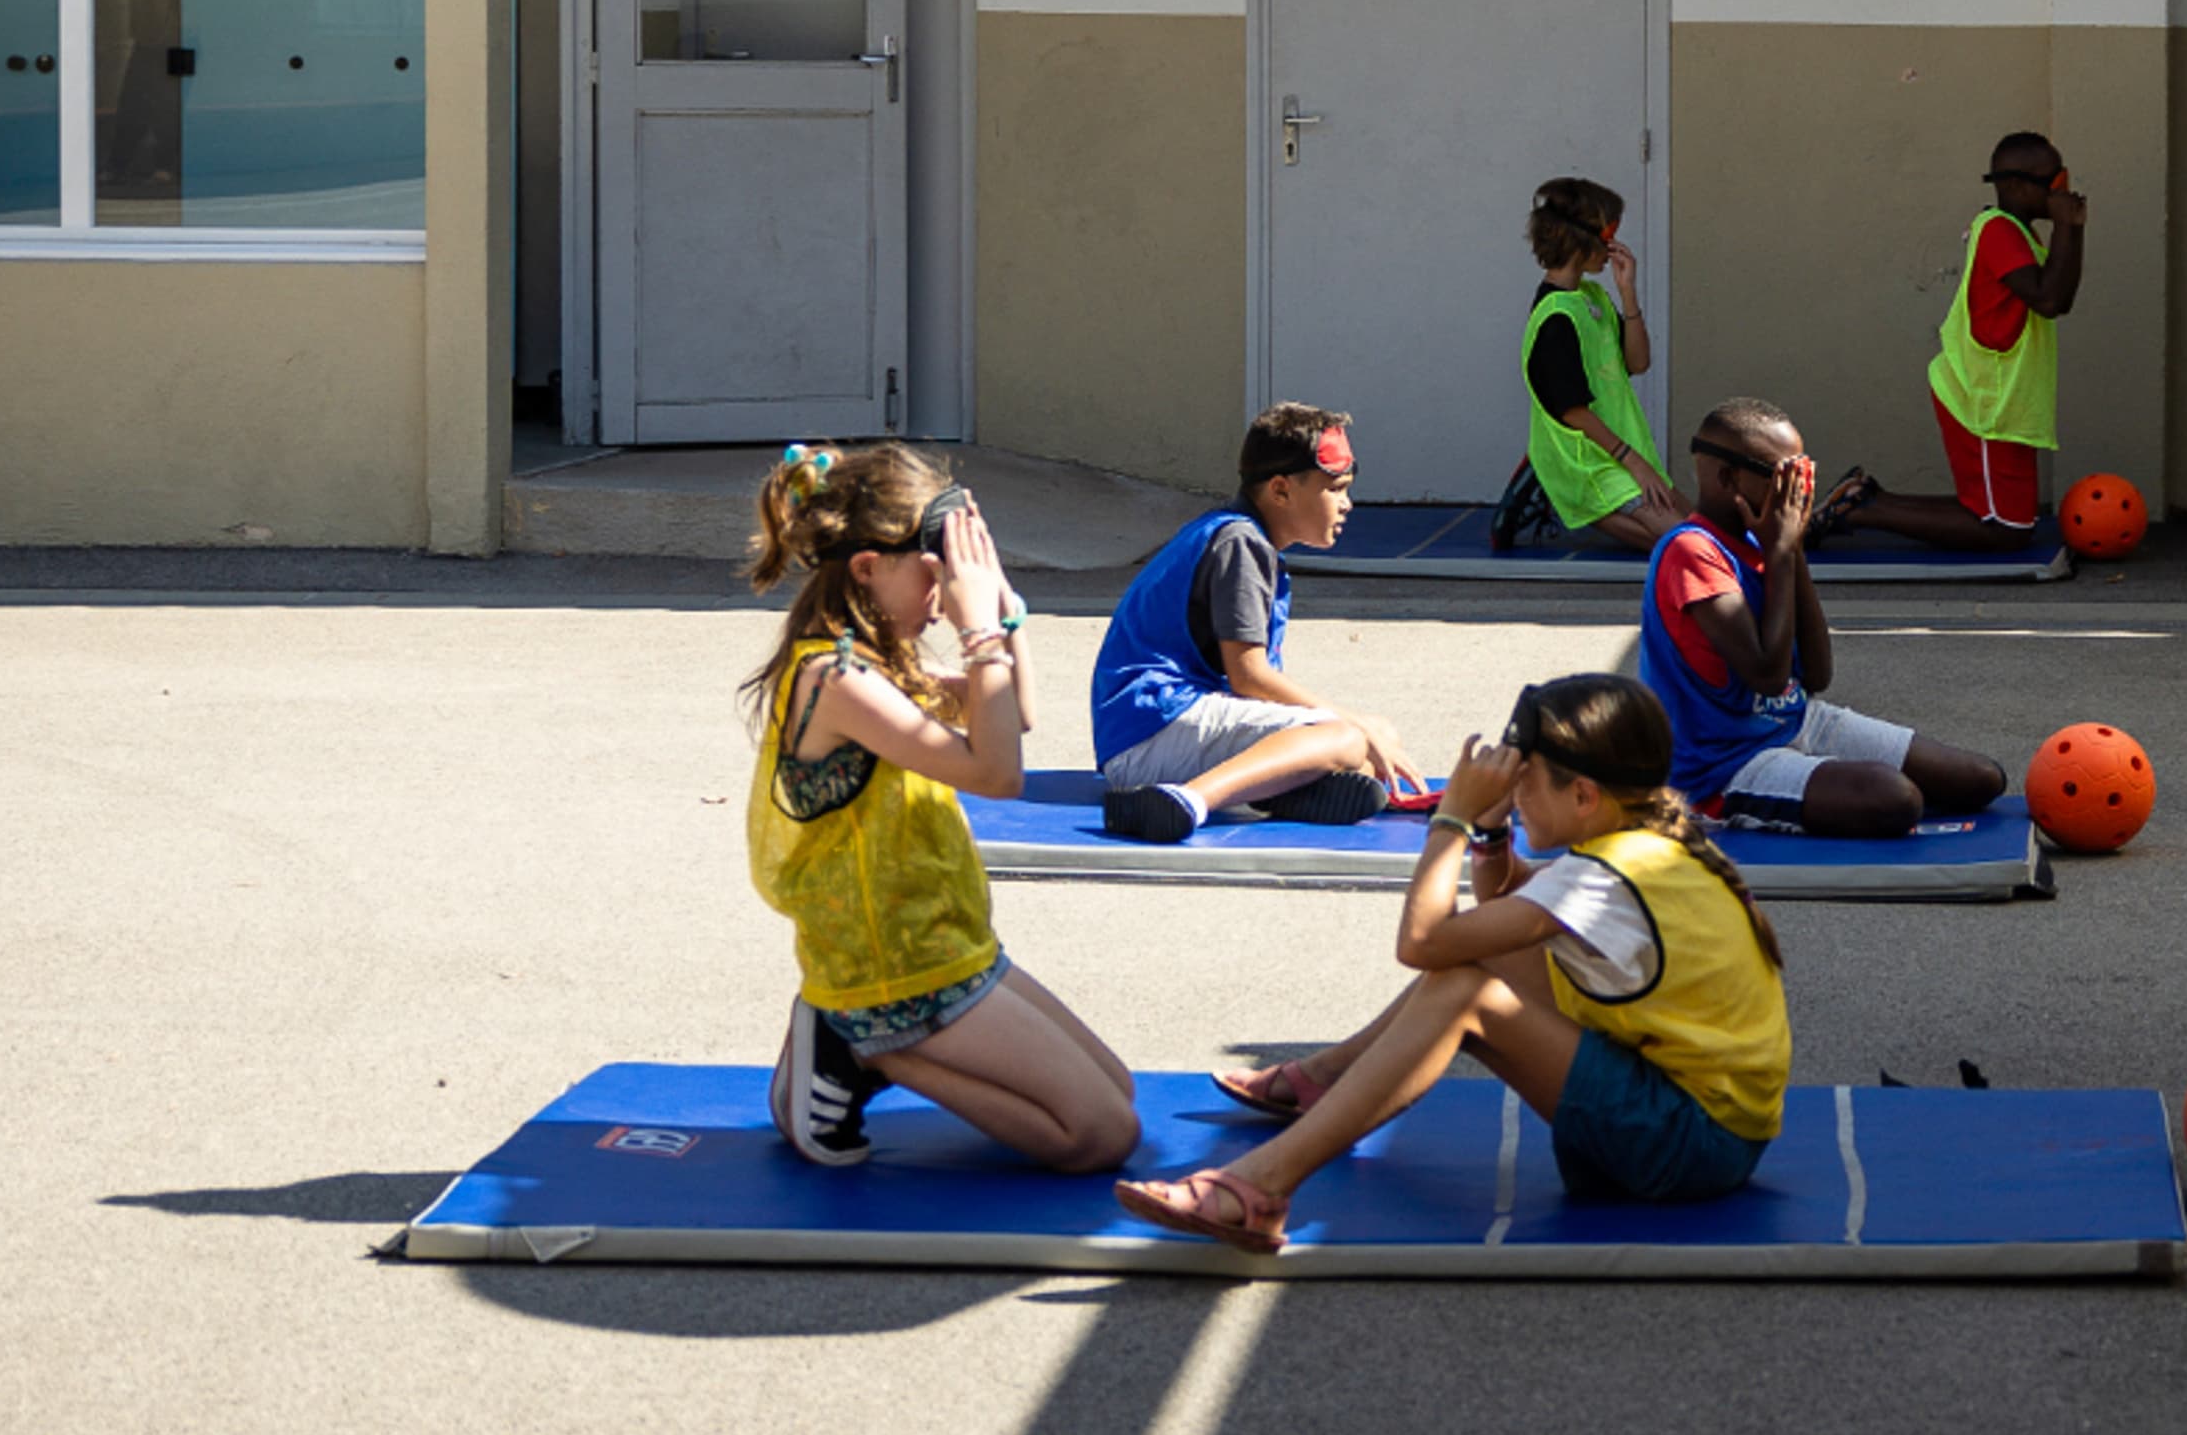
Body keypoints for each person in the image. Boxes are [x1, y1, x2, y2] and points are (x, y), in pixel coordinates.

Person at [1114, 675, 1790, 1252]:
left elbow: (1423, 941)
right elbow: (1502, 921)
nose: (1516, 796)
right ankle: (1325, 1077)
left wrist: (1454, 820)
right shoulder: (1641, 845)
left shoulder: (1602, 878)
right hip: (1715, 1128)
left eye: (1527, 784)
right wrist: (1493, 834)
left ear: (1584, 796)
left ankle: (1263, 1188)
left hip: (1692, 1146)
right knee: (1482, 960)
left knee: (1462, 990)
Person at [743, 443, 1140, 1174]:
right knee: (1102, 1137)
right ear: (868, 568)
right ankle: (861, 1044)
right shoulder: (834, 678)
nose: (948, 586)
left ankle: (868, 1042)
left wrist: (1004, 613)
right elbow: (996, 775)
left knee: (1116, 1093)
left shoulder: (886, 660)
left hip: (944, 947)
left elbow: (1013, 719)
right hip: (891, 968)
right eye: (935, 569)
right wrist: (978, 631)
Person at [1642, 396, 2008, 839]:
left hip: (1796, 721)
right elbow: (1768, 677)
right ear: (1726, 478)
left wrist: (1791, 551)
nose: (1800, 493)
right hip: (1725, 765)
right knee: (1897, 800)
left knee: (1981, 778)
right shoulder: (1691, 551)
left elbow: (1816, 674)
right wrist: (1779, 553)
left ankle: (1816, 782)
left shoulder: (1766, 542)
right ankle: (1767, 796)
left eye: (1804, 473)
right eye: (1786, 478)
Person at [1089, 404, 1426, 844]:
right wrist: (1350, 723)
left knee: (1377, 738)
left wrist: (1363, 727)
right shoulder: (1241, 544)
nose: (1347, 504)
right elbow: (1249, 677)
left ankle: (1275, 791)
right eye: (1336, 489)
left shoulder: (1243, 537)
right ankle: (1187, 802)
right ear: (1281, 491)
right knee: (1347, 740)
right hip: (1149, 734)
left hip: (1168, 725)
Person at [1807, 133, 2088, 553]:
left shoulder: (2022, 234)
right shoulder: (1998, 231)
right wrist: (2069, 224)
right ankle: (1859, 510)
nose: (2062, 189)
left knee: (2006, 518)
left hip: (2003, 403)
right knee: (2004, 530)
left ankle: (1864, 498)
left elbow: (2059, 296)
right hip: (1983, 402)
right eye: (2054, 180)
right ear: (2014, 185)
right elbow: (2049, 300)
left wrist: (2071, 229)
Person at [1490, 176, 1684, 554]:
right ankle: (1570, 496)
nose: (1613, 245)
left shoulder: (1591, 298)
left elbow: (1638, 362)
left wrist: (1628, 296)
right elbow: (1572, 409)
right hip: (1589, 460)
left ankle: (1571, 498)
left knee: (1702, 535)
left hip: (1615, 456)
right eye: (1609, 233)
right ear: (1581, 239)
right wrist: (1635, 464)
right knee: (1688, 545)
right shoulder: (1555, 317)